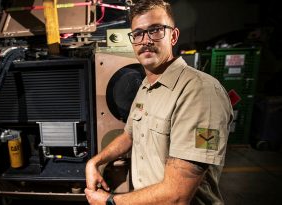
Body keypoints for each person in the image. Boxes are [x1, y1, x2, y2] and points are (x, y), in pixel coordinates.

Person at [84, 0, 233, 204]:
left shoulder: (200, 92)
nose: (145, 40)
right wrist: (95, 161)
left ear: (173, 36)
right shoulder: (147, 85)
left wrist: (110, 201)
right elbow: (129, 135)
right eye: (138, 33)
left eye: (155, 30)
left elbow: (177, 196)